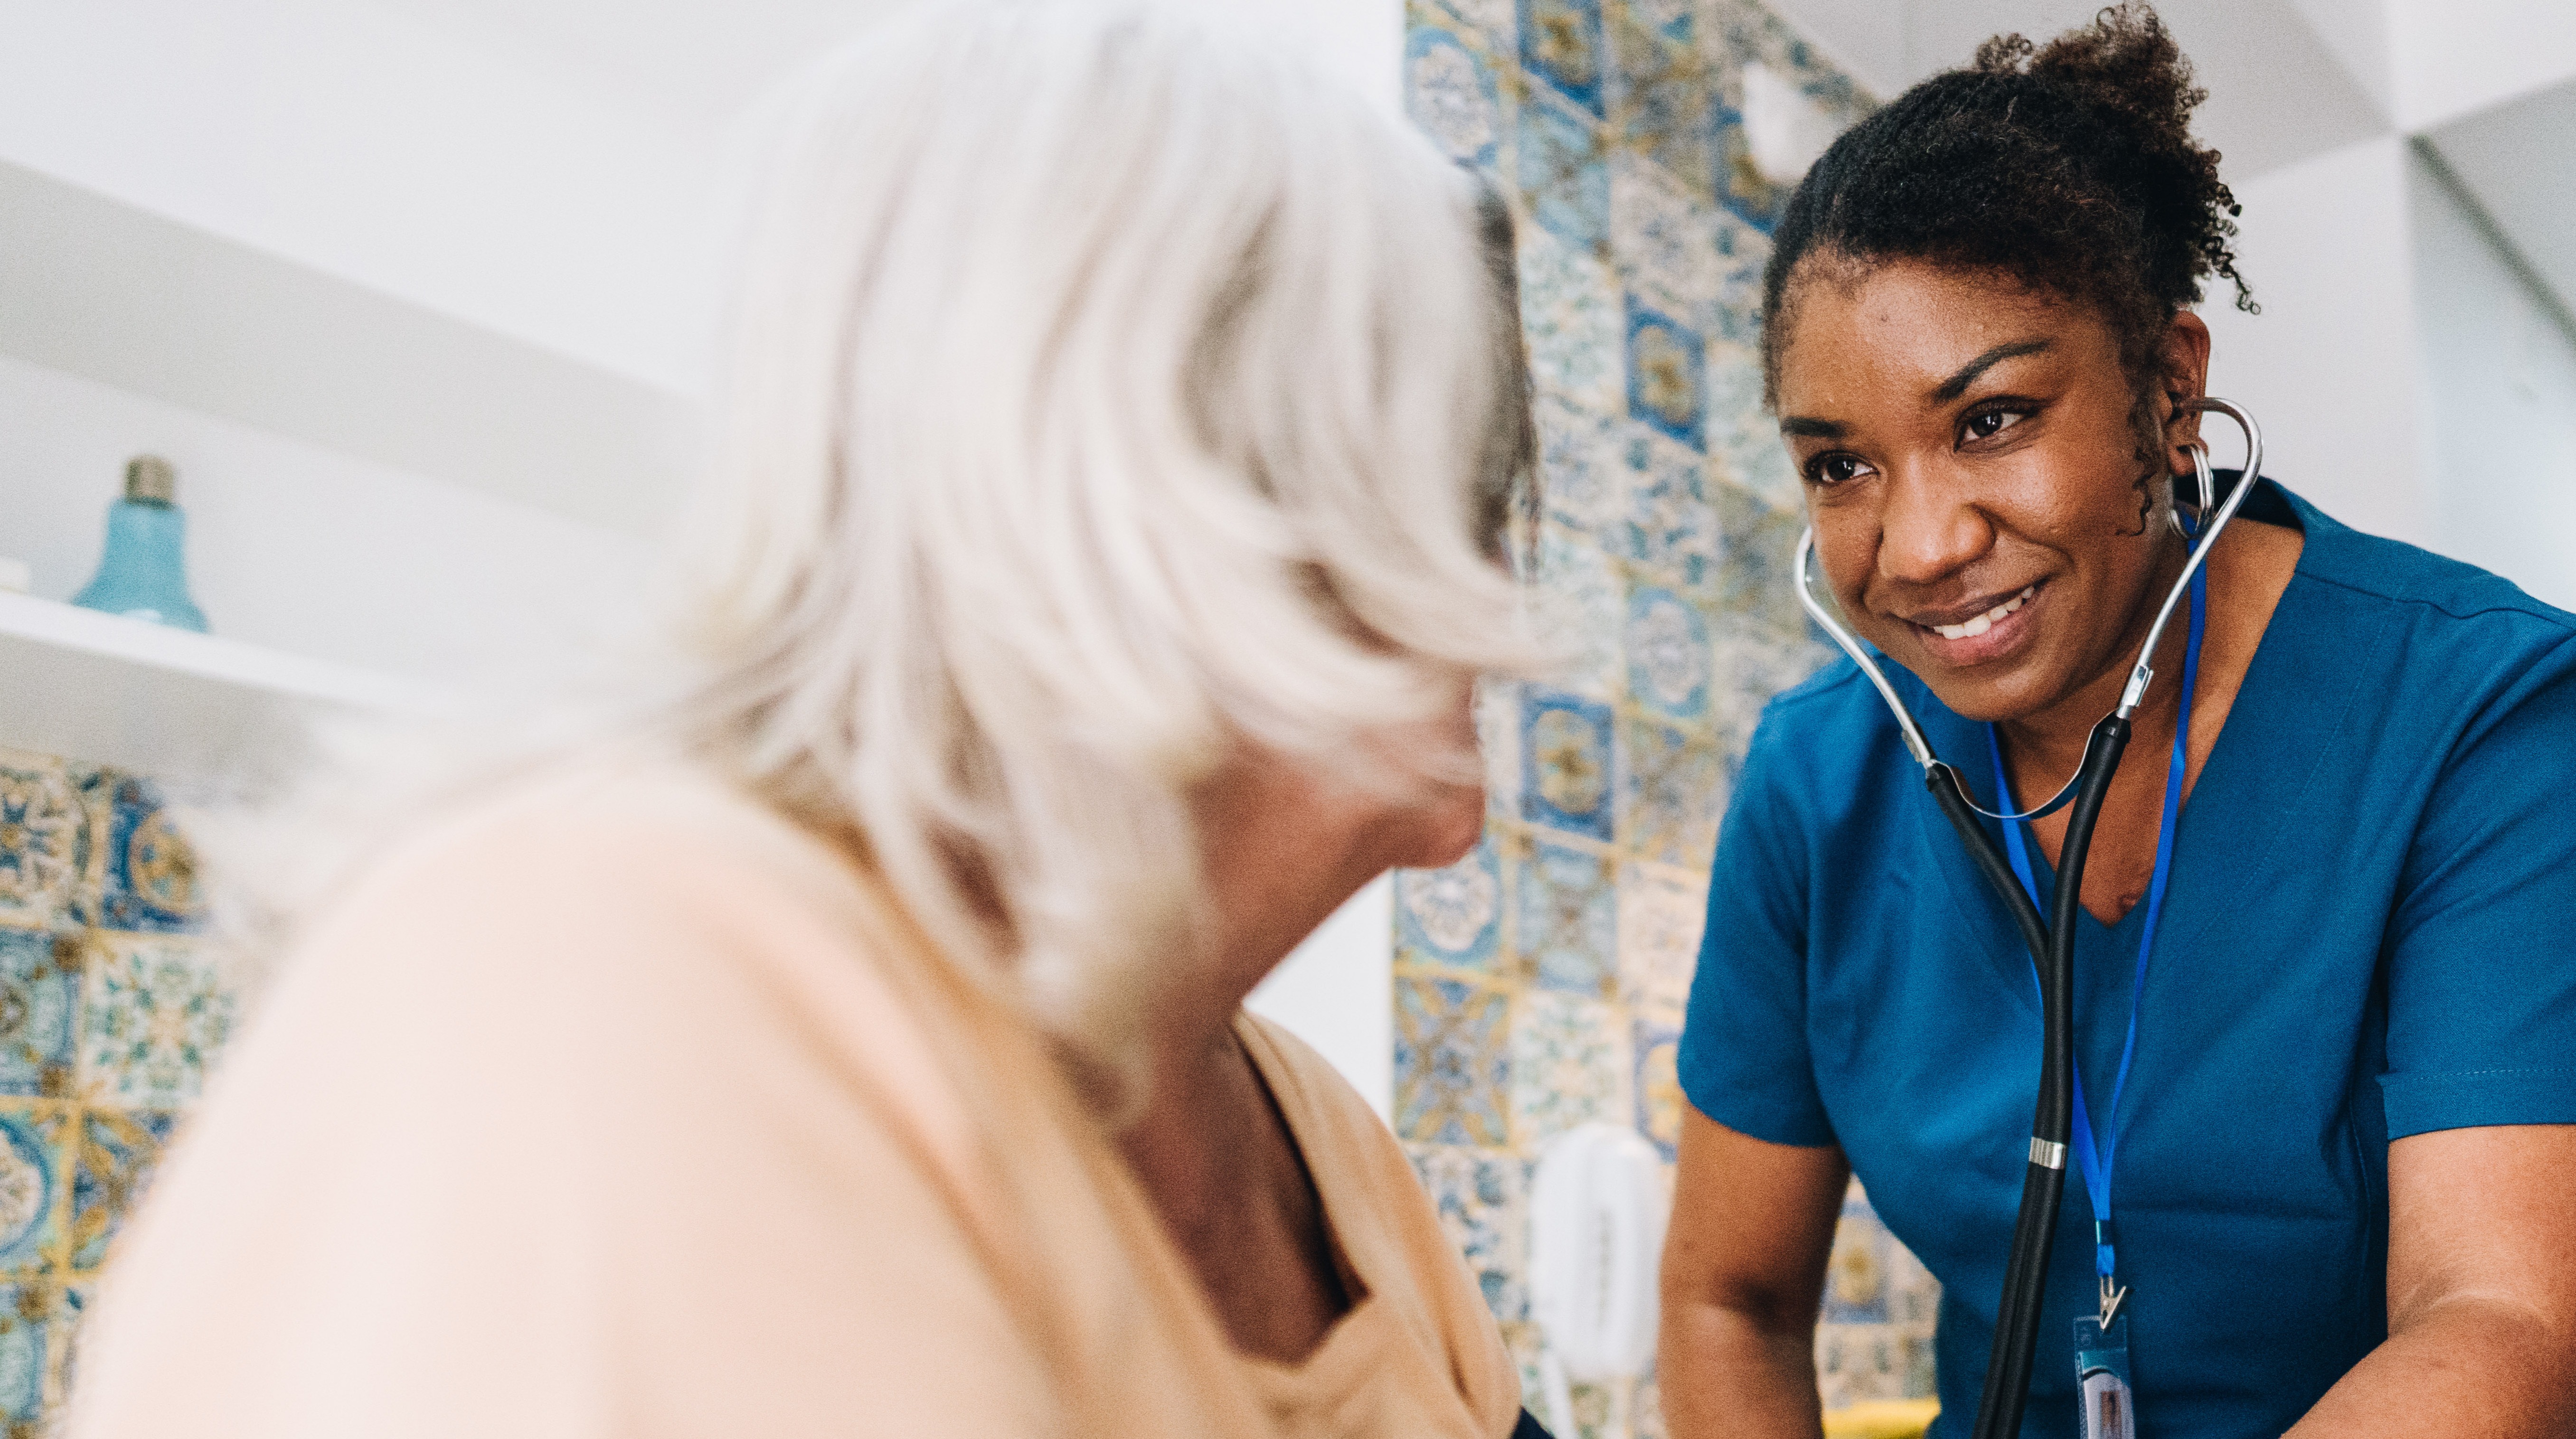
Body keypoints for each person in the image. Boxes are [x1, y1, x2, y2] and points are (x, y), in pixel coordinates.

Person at [69, 4, 1547, 1436]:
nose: (1488, 595)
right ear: (1201, 500)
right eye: (1451, 492)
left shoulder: (1321, 1141)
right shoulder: (602, 986)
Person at [1659, 9, 2576, 1439]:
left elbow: (2500, 1323)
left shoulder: (2486, 711)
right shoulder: (1814, 787)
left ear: (2172, 386)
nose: (1921, 542)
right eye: (1840, 464)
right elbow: (1730, 1304)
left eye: (1992, 419)